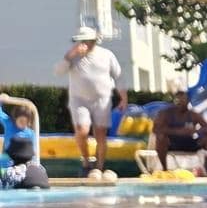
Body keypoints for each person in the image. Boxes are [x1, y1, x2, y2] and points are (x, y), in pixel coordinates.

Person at [52, 26, 125, 178]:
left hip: (102, 99)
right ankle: (86, 162)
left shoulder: (107, 55)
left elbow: (118, 76)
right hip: (79, 100)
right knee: (82, 130)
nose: (84, 44)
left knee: (100, 134)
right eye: (81, 40)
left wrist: (124, 98)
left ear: (94, 41)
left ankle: (99, 167)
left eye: (87, 41)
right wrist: (69, 56)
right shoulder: (73, 56)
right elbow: (58, 72)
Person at [1, 98, 49, 190]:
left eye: (25, 122)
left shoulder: (30, 133)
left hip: (24, 162)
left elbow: (33, 151)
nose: (23, 124)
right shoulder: (9, 124)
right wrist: (2, 100)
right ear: (15, 119)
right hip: (7, 158)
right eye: (21, 121)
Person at [151, 86, 207, 156]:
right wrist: (178, 131)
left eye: (184, 100)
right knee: (161, 137)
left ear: (188, 102)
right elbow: (155, 129)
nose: (181, 103)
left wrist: (196, 130)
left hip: (189, 142)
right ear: (174, 101)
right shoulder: (166, 114)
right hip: (172, 143)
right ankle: (163, 165)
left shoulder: (193, 115)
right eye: (179, 101)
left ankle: (206, 165)